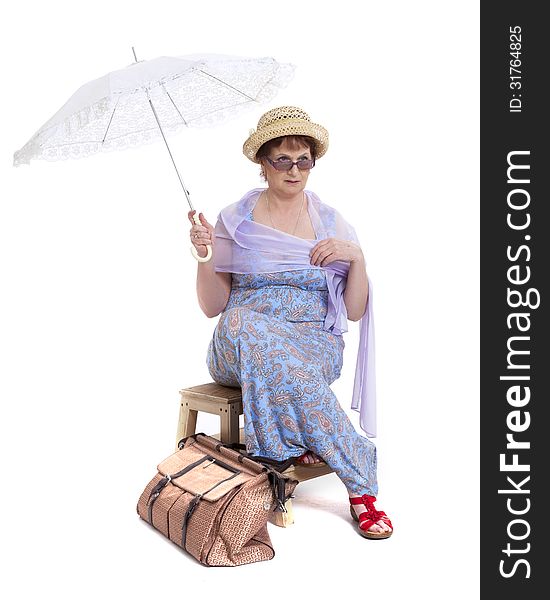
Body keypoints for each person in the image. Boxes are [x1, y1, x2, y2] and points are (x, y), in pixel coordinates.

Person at [187, 106, 393, 539]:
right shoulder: (234, 221)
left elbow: (353, 311)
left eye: (304, 159)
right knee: (250, 325)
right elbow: (213, 306)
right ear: (263, 163)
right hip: (238, 341)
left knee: (284, 363)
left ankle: (277, 457)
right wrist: (205, 256)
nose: (294, 169)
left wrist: (357, 258)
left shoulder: (332, 223)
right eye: (282, 159)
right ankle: (361, 484)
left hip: (313, 345)